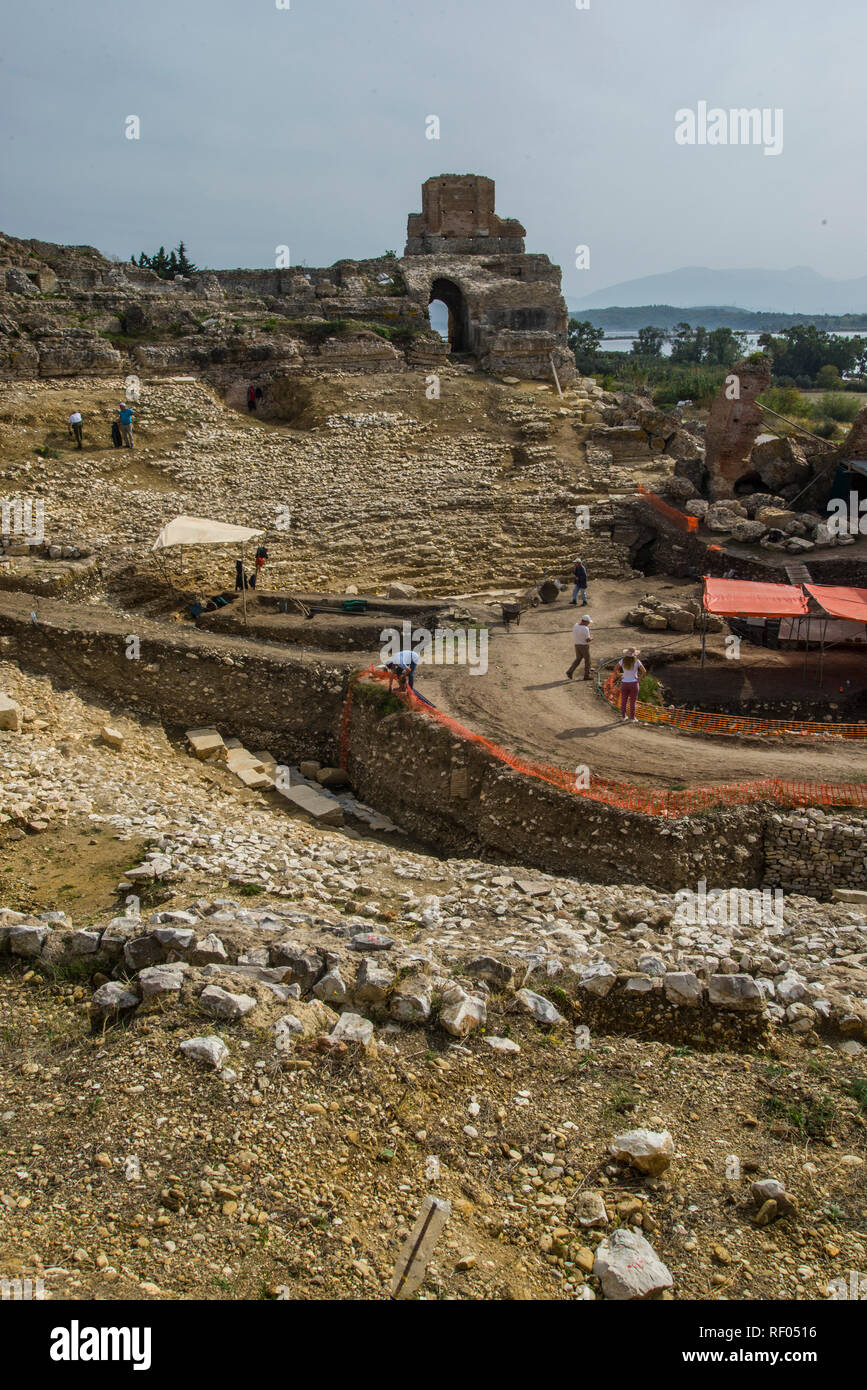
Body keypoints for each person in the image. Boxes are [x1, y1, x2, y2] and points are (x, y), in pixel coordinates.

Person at [617, 648, 646, 723]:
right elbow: (644, 671)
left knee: (623, 701)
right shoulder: (637, 661)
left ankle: (624, 716)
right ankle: (632, 718)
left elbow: (615, 669)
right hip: (633, 683)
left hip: (624, 683)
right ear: (634, 654)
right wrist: (639, 679)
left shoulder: (622, 660)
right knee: (633, 702)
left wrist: (619, 676)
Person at [566, 615, 593, 680]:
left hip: (577, 645)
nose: (588, 624)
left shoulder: (575, 625)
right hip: (584, 646)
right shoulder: (585, 628)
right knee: (588, 660)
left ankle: (570, 671)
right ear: (585, 621)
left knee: (578, 659)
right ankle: (586, 675)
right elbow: (587, 640)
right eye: (588, 622)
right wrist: (591, 638)